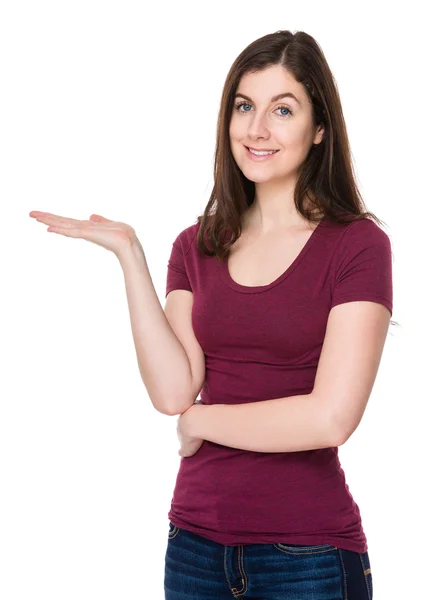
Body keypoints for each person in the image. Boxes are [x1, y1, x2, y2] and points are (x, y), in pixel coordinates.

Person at [29, 29, 393, 600]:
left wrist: (203, 422)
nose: (257, 129)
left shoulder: (357, 245)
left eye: (283, 109)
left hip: (309, 557)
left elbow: (330, 419)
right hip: (195, 548)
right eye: (245, 106)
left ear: (319, 129)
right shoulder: (196, 246)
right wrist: (131, 256)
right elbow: (175, 392)